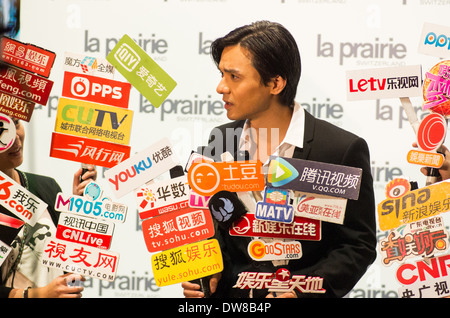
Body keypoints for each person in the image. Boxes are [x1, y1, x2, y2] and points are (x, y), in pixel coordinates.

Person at [182, 21, 377, 298]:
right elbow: (213, 226)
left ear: (275, 83)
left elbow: (358, 245)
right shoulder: (220, 140)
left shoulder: (340, 149)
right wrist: (206, 269)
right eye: (221, 74)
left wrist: (301, 291)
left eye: (234, 77)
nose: (221, 87)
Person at [0, 118, 97, 298]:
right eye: (3, 130)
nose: (15, 138)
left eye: (16, 123)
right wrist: (40, 294)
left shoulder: (46, 186)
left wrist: (79, 207)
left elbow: (71, 264)